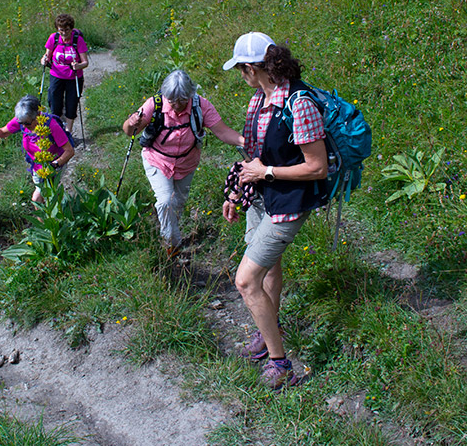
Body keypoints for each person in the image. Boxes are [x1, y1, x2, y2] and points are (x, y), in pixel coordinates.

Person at [221, 32, 329, 390]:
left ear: (253, 68)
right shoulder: (258, 101)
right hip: (261, 198)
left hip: (289, 204)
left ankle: (281, 363)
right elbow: (253, 153)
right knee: (268, 270)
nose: (241, 76)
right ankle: (269, 332)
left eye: (241, 69)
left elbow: (317, 167)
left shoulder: (299, 103)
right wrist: (238, 193)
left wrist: (266, 173)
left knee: (245, 280)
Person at [123, 69, 243, 258]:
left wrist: (245, 142)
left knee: (177, 204)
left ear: (190, 94)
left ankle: (166, 227)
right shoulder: (154, 104)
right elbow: (130, 131)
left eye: (182, 101)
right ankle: (172, 246)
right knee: (166, 201)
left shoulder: (201, 106)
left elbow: (222, 131)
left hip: (187, 163)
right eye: (172, 101)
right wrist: (131, 122)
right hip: (158, 160)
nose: (177, 105)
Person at [0, 95, 74, 204]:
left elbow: (69, 151)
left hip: (55, 164)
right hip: (37, 166)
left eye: (28, 123)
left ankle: (55, 215)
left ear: (38, 115)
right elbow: (3, 132)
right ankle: (53, 216)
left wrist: (55, 164)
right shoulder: (23, 119)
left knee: (38, 198)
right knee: (46, 196)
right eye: (21, 123)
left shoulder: (51, 125)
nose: (24, 126)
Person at [41, 14, 89, 135]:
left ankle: (68, 132)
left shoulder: (78, 40)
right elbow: (47, 55)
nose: (64, 33)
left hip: (74, 77)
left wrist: (78, 66)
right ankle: (57, 131)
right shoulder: (54, 38)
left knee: (71, 103)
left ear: (71, 29)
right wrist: (44, 60)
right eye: (61, 30)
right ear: (57, 29)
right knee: (54, 102)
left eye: (67, 30)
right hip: (56, 75)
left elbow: (85, 62)